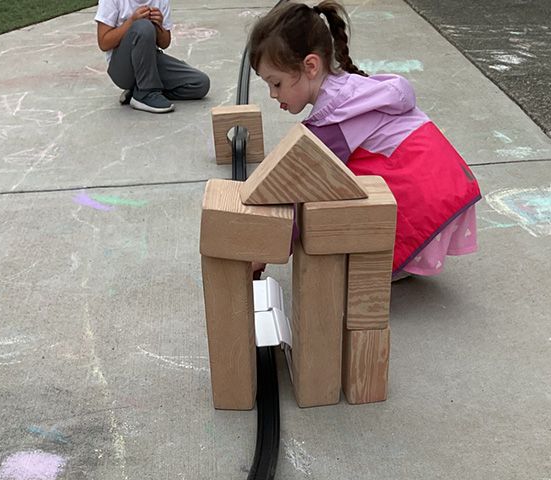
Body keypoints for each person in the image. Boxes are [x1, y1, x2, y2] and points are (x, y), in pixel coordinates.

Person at [248, 0, 480, 278]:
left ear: (311, 66)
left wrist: (264, 252)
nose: (274, 95)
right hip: (445, 186)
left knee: (329, 213)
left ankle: (396, 259)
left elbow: (301, 192)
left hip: (425, 203)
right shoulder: (348, 92)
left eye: (276, 83)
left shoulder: (334, 123)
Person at [95, 0, 210, 114]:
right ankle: (145, 93)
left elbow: (165, 43)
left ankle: (138, 92)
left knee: (200, 84)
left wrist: (158, 25)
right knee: (143, 26)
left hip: (150, 62)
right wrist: (131, 22)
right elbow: (104, 42)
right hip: (122, 70)